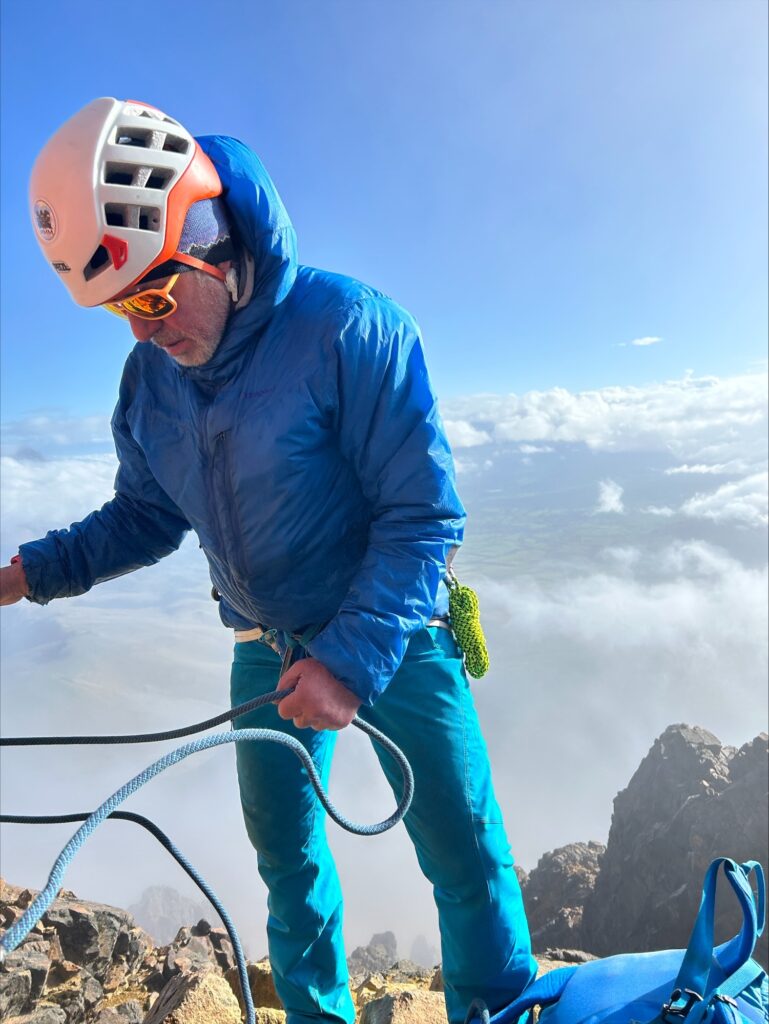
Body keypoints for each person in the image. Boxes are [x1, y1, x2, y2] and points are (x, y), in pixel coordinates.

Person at [0, 97, 536, 1024]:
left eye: (154, 295)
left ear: (210, 239)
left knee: (462, 851)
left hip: (397, 632)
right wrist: (23, 572)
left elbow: (422, 516)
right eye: (120, 307)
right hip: (265, 641)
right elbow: (143, 517)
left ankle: (496, 1011)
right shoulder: (151, 383)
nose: (141, 330)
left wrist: (350, 660)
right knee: (284, 856)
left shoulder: (348, 326)